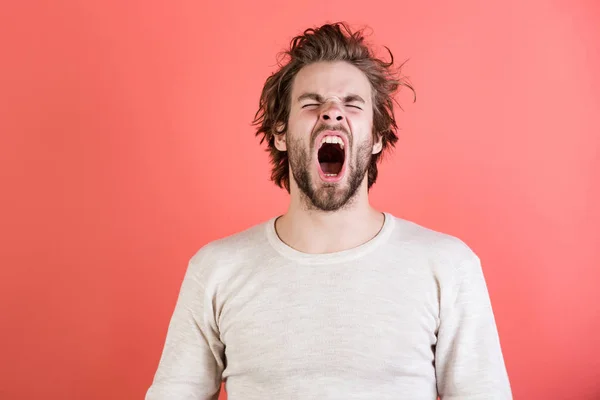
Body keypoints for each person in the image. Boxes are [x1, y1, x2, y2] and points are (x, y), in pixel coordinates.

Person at [146, 22, 512, 400]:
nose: (332, 114)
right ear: (280, 133)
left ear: (375, 138)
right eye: (311, 103)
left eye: (352, 105)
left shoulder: (447, 266)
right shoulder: (216, 270)